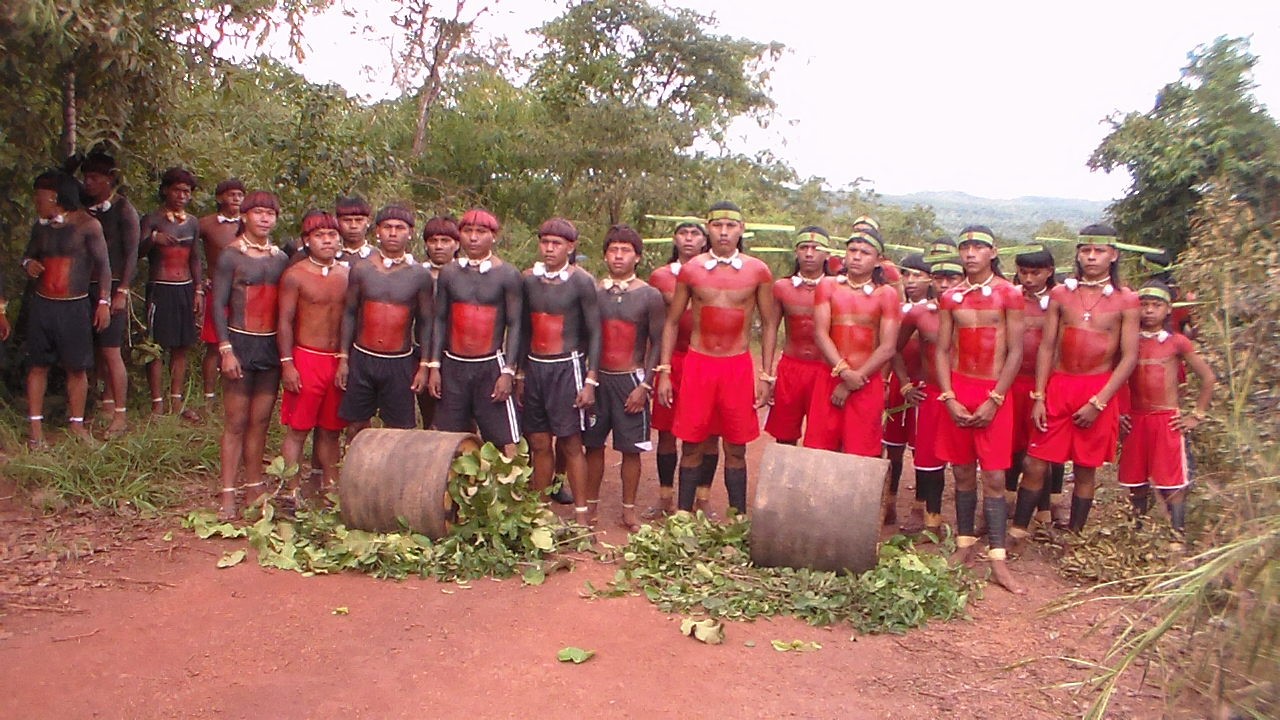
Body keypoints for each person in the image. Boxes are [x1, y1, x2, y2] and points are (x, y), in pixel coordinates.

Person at [1011, 223, 1139, 541]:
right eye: (1086, 250)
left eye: (1099, 251)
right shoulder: (1061, 294)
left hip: (1098, 388)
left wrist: (1100, 402)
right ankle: (1018, 532)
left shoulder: (1126, 300)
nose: (1091, 257)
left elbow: (1129, 357)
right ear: (1078, 254)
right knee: (1035, 461)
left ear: (1113, 255)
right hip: (1060, 385)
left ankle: (1075, 535)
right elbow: (1048, 347)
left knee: (1085, 468)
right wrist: (1039, 396)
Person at [656, 201, 778, 516]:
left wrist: (766, 375)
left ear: (742, 229)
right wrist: (666, 371)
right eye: (717, 226)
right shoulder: (692, 270)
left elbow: (769, 323)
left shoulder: (757, 271)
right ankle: (683, 516)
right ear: (708, 229)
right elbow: (671, 322)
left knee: (736, 446)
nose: (724, 232)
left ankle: (737, 518)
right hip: (699, 364)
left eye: (731, 226)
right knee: (692, 442)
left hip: (736, 366)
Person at [934, 225, 1026, 594]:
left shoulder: (1009, 294)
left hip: (994, 389)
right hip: (959, 387)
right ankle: (965, 544)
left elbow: (1016, 350)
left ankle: (999, 558)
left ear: (993, 251)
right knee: (962, 473)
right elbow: (941, 350)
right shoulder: (951, 297)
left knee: (994, 477)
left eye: (978, 247)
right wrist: (948, 396)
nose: (970, 253)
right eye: (965, 247)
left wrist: (997, 398)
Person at [211, 190, 290, 519]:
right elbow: (218, 305)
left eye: (269, 214)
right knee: (236, 422)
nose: (264, 219)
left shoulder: (280, 259)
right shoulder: (231, 256)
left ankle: (254, 487)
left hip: (269, 347)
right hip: (240, 343)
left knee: (260, 421)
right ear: (244, 216)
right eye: (257, 212)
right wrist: (225, 349)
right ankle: (228, 492)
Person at [1118, 281, 1214, 548]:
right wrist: (1118, 413)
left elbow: (1208, 378)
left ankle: (1176, 535)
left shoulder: (1177, 343)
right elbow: (1114, 379)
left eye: (1156, 305)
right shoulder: (1128, 342)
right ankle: (1135, 529)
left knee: (1172, 481)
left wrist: (1196, 414)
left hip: (1166, 420)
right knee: (1136, 480)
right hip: (1136, 419)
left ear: (1168, 309)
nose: (1149, 311)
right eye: (1144, 305)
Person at [21, 170, 112, 447]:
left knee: (77, 367)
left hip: (74, 306)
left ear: (54, 197)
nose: (36, 201)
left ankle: (77, 425)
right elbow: (28, 255)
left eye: (39, 196)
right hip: (43, 305)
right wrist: (28, 265)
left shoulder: (88, 225)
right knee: (38, 365)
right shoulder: (41, 227)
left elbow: (104, 266)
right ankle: (35, 430)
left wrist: (104, 302)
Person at [518, 217, 600, 524]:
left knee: (570, 442)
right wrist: (520, 373)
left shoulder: (581, 281)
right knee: (539, 442)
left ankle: (581, 515)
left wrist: (591, 380)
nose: (550, 249)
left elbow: (596, 332)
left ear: (571, 246)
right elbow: (523, 330)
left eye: (557, 244)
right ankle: (539, 513)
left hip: (568, 367)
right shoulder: (529, 280)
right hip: (535, 368)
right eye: (545, 242)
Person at [583, 225, 664, 531]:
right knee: (592, 444)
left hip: (631, 379)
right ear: (605, 255)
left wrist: (645, 386)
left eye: (625, 250)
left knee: (631, 449)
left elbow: (657, 342)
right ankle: (588, 506)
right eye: (613, 250)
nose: (618, 256)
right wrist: (587, 380)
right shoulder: (593, 292)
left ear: (638, 257)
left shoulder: (649, 295)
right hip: (597, 379)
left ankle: (628, 511)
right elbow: (585, 336)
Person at [426, 208, 523, 453]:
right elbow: (439, 320)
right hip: (453, 365)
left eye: (481, 231)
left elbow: (515, 324)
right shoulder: (449, 273)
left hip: (490, 365)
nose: (473, 237)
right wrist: (435, 367)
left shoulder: (507, 275)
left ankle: (497, 488)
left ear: (494, 236)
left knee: (497, 439)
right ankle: (456, 489)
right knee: (450, 439)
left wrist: (508, 372)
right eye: (468, 231)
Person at [805, 227, 901, 459]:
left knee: (861, 453)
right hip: (829, 377)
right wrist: (844, 372)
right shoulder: (828, 286)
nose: (857, 256)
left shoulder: (886, 294)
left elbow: (888, 346)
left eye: (865, 252)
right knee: (820, 450)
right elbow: (820, 333)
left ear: (879, 261)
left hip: (866, 381)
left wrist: (852, 381)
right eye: (852, 250)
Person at [337, 205, 433, 433]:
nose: (393, 233)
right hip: (363, 357)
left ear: (410, 233)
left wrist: (424, 365)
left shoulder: (419, 275)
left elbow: (426, 322)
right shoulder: (361, 269)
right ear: (377, 231)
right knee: (356, 426)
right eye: (387, 227)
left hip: (399, 361)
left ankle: (391, 470)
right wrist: (343, 358)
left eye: (399, 228)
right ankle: (356, 468)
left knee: (398, 429)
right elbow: (350, 312)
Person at [646, 221, 719, 516]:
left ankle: (703, 499)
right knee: (666, 431)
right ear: (674, 239)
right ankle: (665, 497)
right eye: (683, 233)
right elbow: (653, 325)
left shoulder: (718, 274)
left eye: (695, 234)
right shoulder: (660, 277)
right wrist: (655, 367)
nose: (689, 239)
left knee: (709, 433)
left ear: (705, 240)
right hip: (672, 360)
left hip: (708, 361)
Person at [277, 211, 350, 500]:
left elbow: (351, 319)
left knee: (331, 430)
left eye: (332, 235)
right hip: (306, 357)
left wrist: (345, 359)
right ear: (307, 240)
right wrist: (287, 364)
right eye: (320, 236)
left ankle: (329, 488)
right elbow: (284, 321)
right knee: (298, 429)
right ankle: (291, 490)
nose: (327, 241)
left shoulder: (347, 274)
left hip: (336, 359)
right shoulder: (295, 275)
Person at [895, 251, 962, 534]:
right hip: (931, 394)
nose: (945, 285)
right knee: (928, 462)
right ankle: (931, 521)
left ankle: (969, 528)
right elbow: (893, 349)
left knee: (964, 464)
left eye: (952, 278)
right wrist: (905, 384)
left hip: (966, 394)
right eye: (939, 278)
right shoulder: (920, 314)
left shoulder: (980, 312)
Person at [1005, 246, 1067, 528]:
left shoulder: (1060, 300)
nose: (1029, 278)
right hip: (1012, 383)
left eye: (1036, 272)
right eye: (1023, 272)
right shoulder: (1009, 297)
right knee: (1011, 446)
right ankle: (1006, 502)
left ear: (1050, 272)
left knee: (1042, 449)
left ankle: (1044, 509)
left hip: (1047, 384)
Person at [79, 151, 139, 437]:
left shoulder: (123, 209)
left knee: (111, 350)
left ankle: (120, 414)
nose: (88, 183)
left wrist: (123, 290)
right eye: (85, 177)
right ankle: (97, 403)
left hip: (113, 285)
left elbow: (131, 253)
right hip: (83, 287)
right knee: (90, 349)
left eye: (94, 178)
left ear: (109, 179)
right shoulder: (82, 207)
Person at [139, 167, 202, 420]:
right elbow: (139, 251)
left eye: (187, 191)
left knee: (181, 346)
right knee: (155, 347)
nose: (182, 195)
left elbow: (196, 258)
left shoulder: (193, 222)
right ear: (166, 190)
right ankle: (157, 404)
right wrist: (154, 238)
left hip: (184, 287)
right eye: (177, 190)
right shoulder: (153, 219)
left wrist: (198, 289)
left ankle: (176, 401)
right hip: (160, 288)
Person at [764, 227, 832, 446]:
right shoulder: (782, 287)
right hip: (791, 368)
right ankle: (784, 480)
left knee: (821, 436)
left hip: (824, 369)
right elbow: (770, 327)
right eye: (804, 248)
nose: (809, 254)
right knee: (785, 434)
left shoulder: (837, 288)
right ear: (796, 252)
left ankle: (816, 481)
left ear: (827, 254)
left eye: (816, 248)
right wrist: (767, 374)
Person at [883, 252, 931, 525]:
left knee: (921, 450)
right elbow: (890, 350)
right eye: (906, 275)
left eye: (918, 276)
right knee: (892, 448)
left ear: (930, 279)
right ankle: (888, 502)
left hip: (925, 390)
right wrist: (901, 384)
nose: (911, 281)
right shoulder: (893, 307)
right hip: (898, 387)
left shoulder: (937, 310)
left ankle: (919, 506)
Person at [197, 178, 246, 407]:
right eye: (231, 194)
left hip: (242, 292)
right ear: (219, 198)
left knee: (240, 342)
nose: (235, 199)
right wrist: (199, 281)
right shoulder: (206, 224)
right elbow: (189, 251)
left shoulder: (250, 225)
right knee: (214, 344)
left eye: (239, 195)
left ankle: (236, 390)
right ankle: (208, 395)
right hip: (216, 290)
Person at [417, 215, 460, 429]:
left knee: (460, 420)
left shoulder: (468, 276)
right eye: (433, 241)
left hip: (457, 356)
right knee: (430, 418)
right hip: (421, 354)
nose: (439, 246)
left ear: (457, 243)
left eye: (445, 241)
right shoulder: (416, 274)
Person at [334, 195, 374, 264]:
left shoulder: (378, 257)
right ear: (337, 222)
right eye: (347, 220)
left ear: (368, 222)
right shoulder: (329, 257)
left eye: (359, 220)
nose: (353, 226)